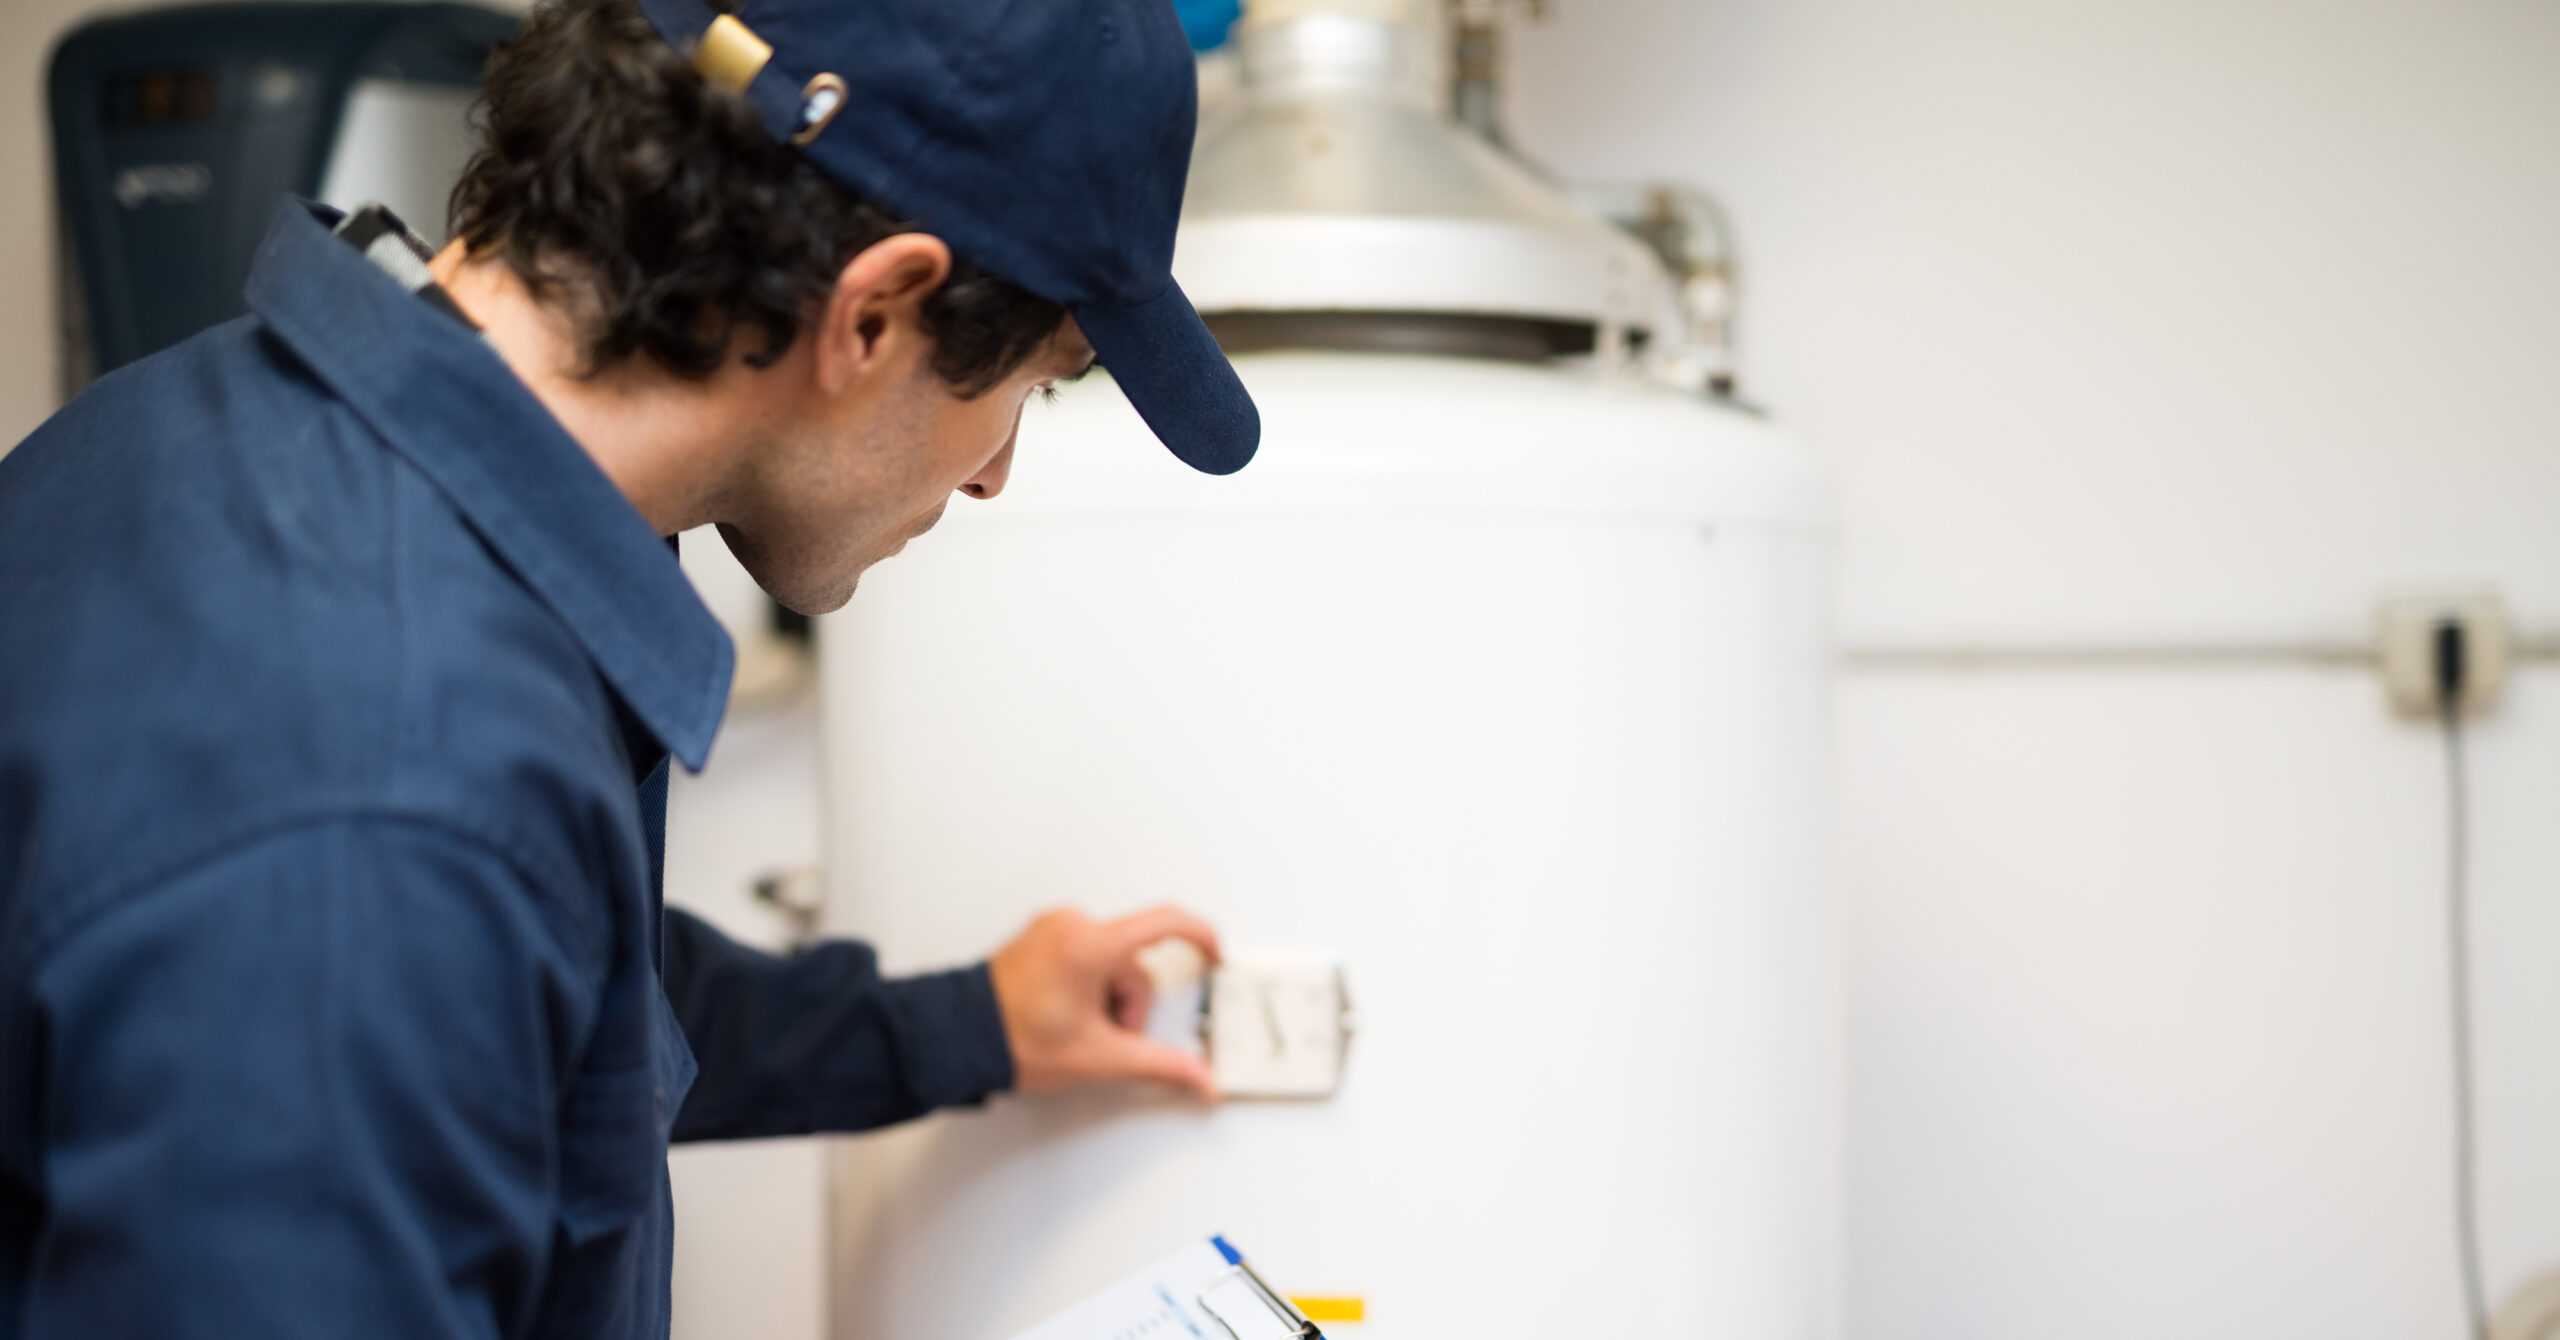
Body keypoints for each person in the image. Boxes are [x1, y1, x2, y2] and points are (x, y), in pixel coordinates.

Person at [0, 0, 1260, 1332]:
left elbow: (536, 994)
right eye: (1034, 385)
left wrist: (965, 1027)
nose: (997, 469)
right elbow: (414, 907)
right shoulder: (390, 793)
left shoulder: (185, 442)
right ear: (876, 314)